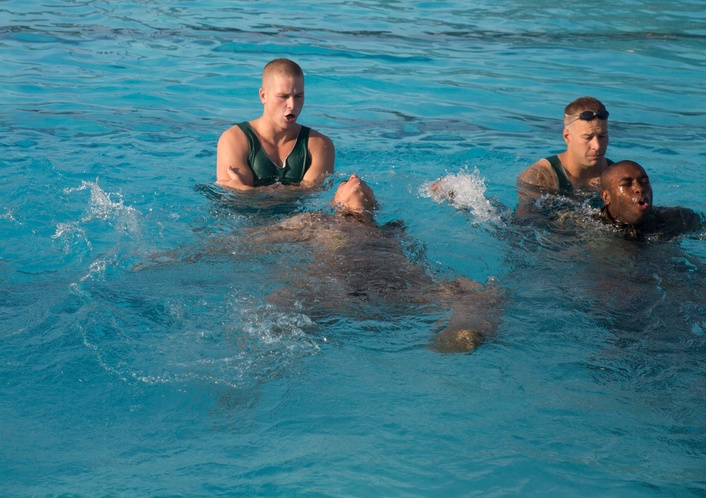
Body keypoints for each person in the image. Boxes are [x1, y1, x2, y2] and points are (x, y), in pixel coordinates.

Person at [252, 175, 501, 353]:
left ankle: (461, 334)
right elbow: (254, 242)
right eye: (343, 182)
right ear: (334, 203)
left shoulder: (394, 229)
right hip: (340, 286)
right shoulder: (316, 221)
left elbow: (419, 260)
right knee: (280, 301)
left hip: (399, 288)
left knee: (476, 291)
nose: (354, 176)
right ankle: (271, 344)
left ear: (376, 205)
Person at [216, 58, 335, 190]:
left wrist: (246, 190)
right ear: (263, 96)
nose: (292, 105)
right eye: (283, 97)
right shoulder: (234, 139)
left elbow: (313, 195)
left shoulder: (319, 144)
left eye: (298, 96)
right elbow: (235, 201)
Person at [516, 96, 613, 214]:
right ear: (567, 136)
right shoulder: (540, 177)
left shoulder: (619, 177)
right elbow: (523, 225)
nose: (597, 146)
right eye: (588, 137)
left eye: (602, 136)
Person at [596, 160, 704, 240]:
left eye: (644, 182)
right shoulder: (589, 227)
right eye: (627, 184)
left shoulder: (679, 218)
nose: (639, 189)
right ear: (606, 196)